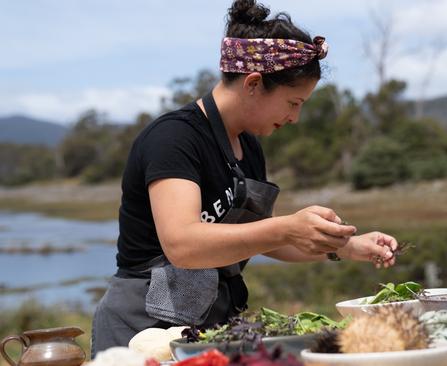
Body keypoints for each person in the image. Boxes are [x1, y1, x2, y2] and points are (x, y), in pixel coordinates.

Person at [91, 0, 400, 356]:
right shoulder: (174, 138)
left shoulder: (249, 148)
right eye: (293, 103)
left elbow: (255, 238)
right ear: (253, 84)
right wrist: (286, 227)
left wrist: (343, 246)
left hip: (204, 327)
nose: (295, 118)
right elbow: (182, 244)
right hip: (140, 329)